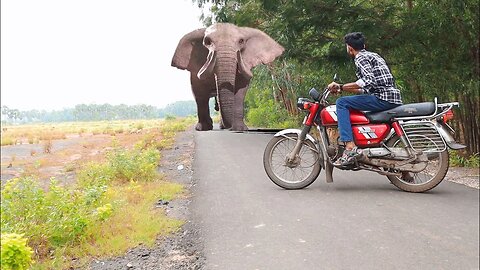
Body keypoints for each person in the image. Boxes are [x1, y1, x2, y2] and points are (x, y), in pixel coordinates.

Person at [328, 32, 402, 166]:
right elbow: (366, 88)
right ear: (364, 45)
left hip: (382, 97)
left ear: (349, 48)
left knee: (341, 103)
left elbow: (368, 81)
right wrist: (341, 89)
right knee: (346, 101)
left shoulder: (360, 58)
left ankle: (349, 146)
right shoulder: (373, 55)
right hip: (389, 96)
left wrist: (341, 86)